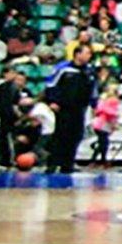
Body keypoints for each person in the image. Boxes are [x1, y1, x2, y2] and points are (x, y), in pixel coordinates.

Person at [42, 48, 95, 178]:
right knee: (60, 135)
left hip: (80, 108)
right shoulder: (63, 68)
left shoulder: (89, 70)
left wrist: (93, 104)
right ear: (77, 54)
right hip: (63, 107)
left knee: (76, 135)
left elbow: (93, 88)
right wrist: (52, 101)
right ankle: (52, 164)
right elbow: (50, 84)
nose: (89, 56)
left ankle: (68, 165)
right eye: (86, 53)